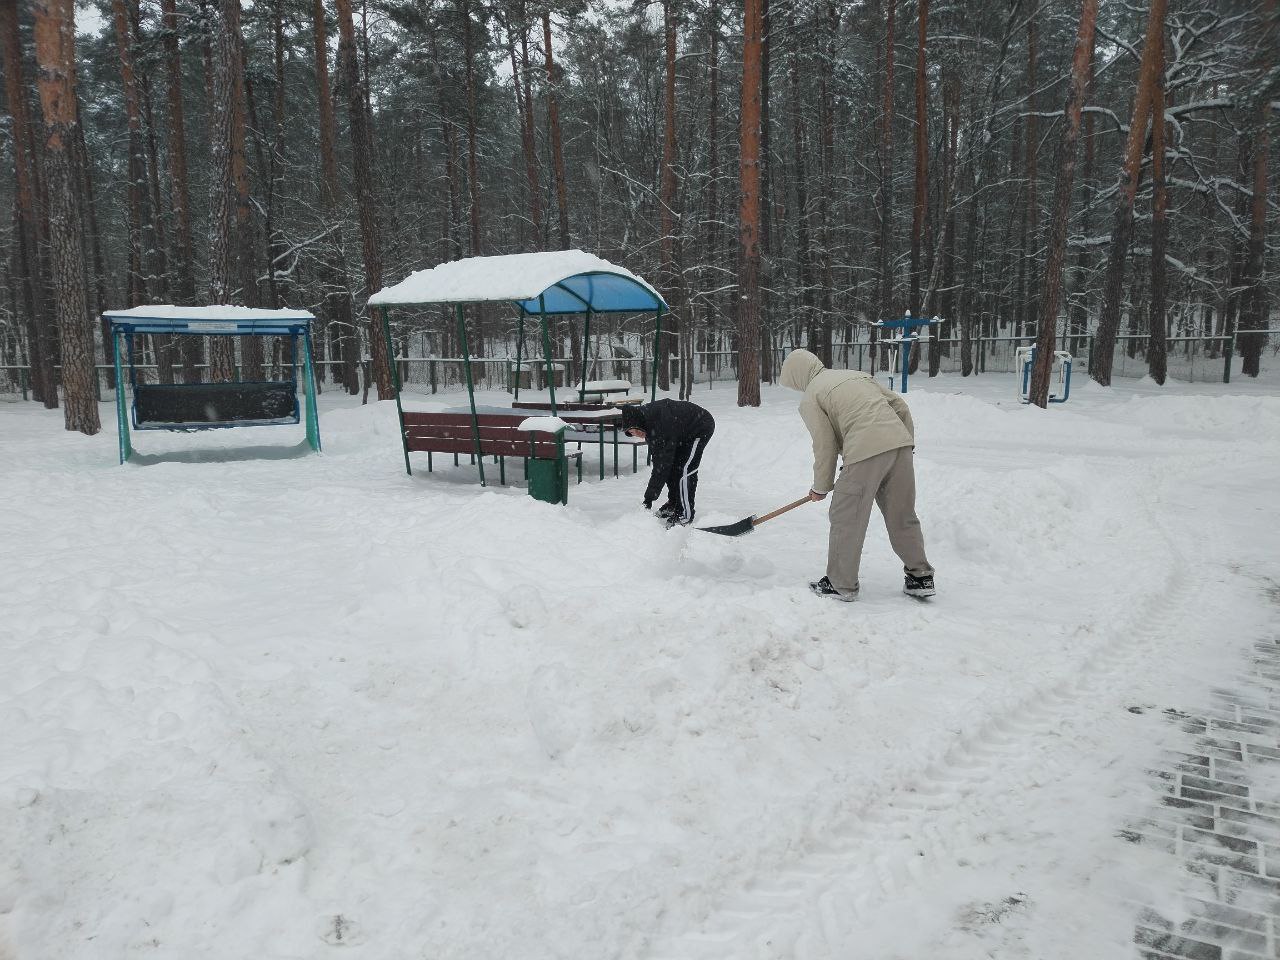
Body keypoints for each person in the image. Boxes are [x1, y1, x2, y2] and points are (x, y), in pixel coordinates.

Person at [778, 348, 935, 600]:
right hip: (900, 446)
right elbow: (900, 406)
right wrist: (905, 443)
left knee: (846, 517)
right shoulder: (855, 375)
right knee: (902, 514)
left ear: (797, 376)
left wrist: (821, 486)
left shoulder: (811, 396)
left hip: (865, 450)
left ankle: (840, 584)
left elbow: (824, 445)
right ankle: (921, 577)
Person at [620, 399, 715, 527]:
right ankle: (674, 503)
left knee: (686, 470)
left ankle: (685, 514)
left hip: (700, 426)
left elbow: (661, 466)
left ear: (638, 423)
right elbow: (661, 464)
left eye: (635, 431)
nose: (637, 435)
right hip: (680, 433)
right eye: (632, 434)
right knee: (673, 467)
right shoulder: (648, 425)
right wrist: (650, 497)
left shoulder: (659, 425)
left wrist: (649, 499)